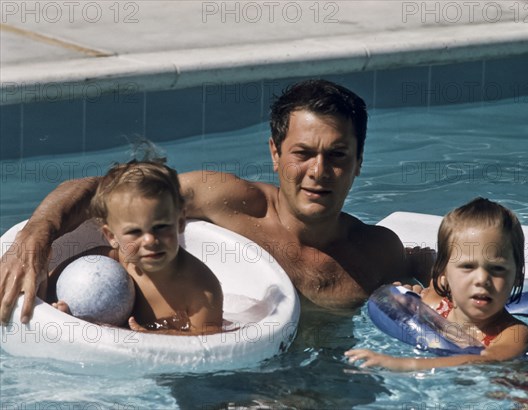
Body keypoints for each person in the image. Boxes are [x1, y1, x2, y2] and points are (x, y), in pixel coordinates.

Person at [0, 79, 431, 324]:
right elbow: (107, 192)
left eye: (337, 156)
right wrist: (39, 232)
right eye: (303, 153)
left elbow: (435, 291)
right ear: (275, 154)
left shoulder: (376, 255)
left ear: (358, 164)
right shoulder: (225, 200)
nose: (319, 172)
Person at [345, 198, 528, 371]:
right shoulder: (435, 305)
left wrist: (406, 364)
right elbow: (399, 303)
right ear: (444, 275)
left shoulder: (515, 334)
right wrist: (408, 299)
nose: (482, 279)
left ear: (517, 277)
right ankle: (424, 264)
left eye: (497, 269)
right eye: (468, 267)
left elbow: (487, 362)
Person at [49, 160, 223, 335]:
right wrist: (63, 314)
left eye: (160, 227)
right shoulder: (104, 264)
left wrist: (154, 337)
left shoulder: (202, 291)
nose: (149, 240)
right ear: (111, 236)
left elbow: (205, 341)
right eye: (134, 231)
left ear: (180, 222)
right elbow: (46, 289)